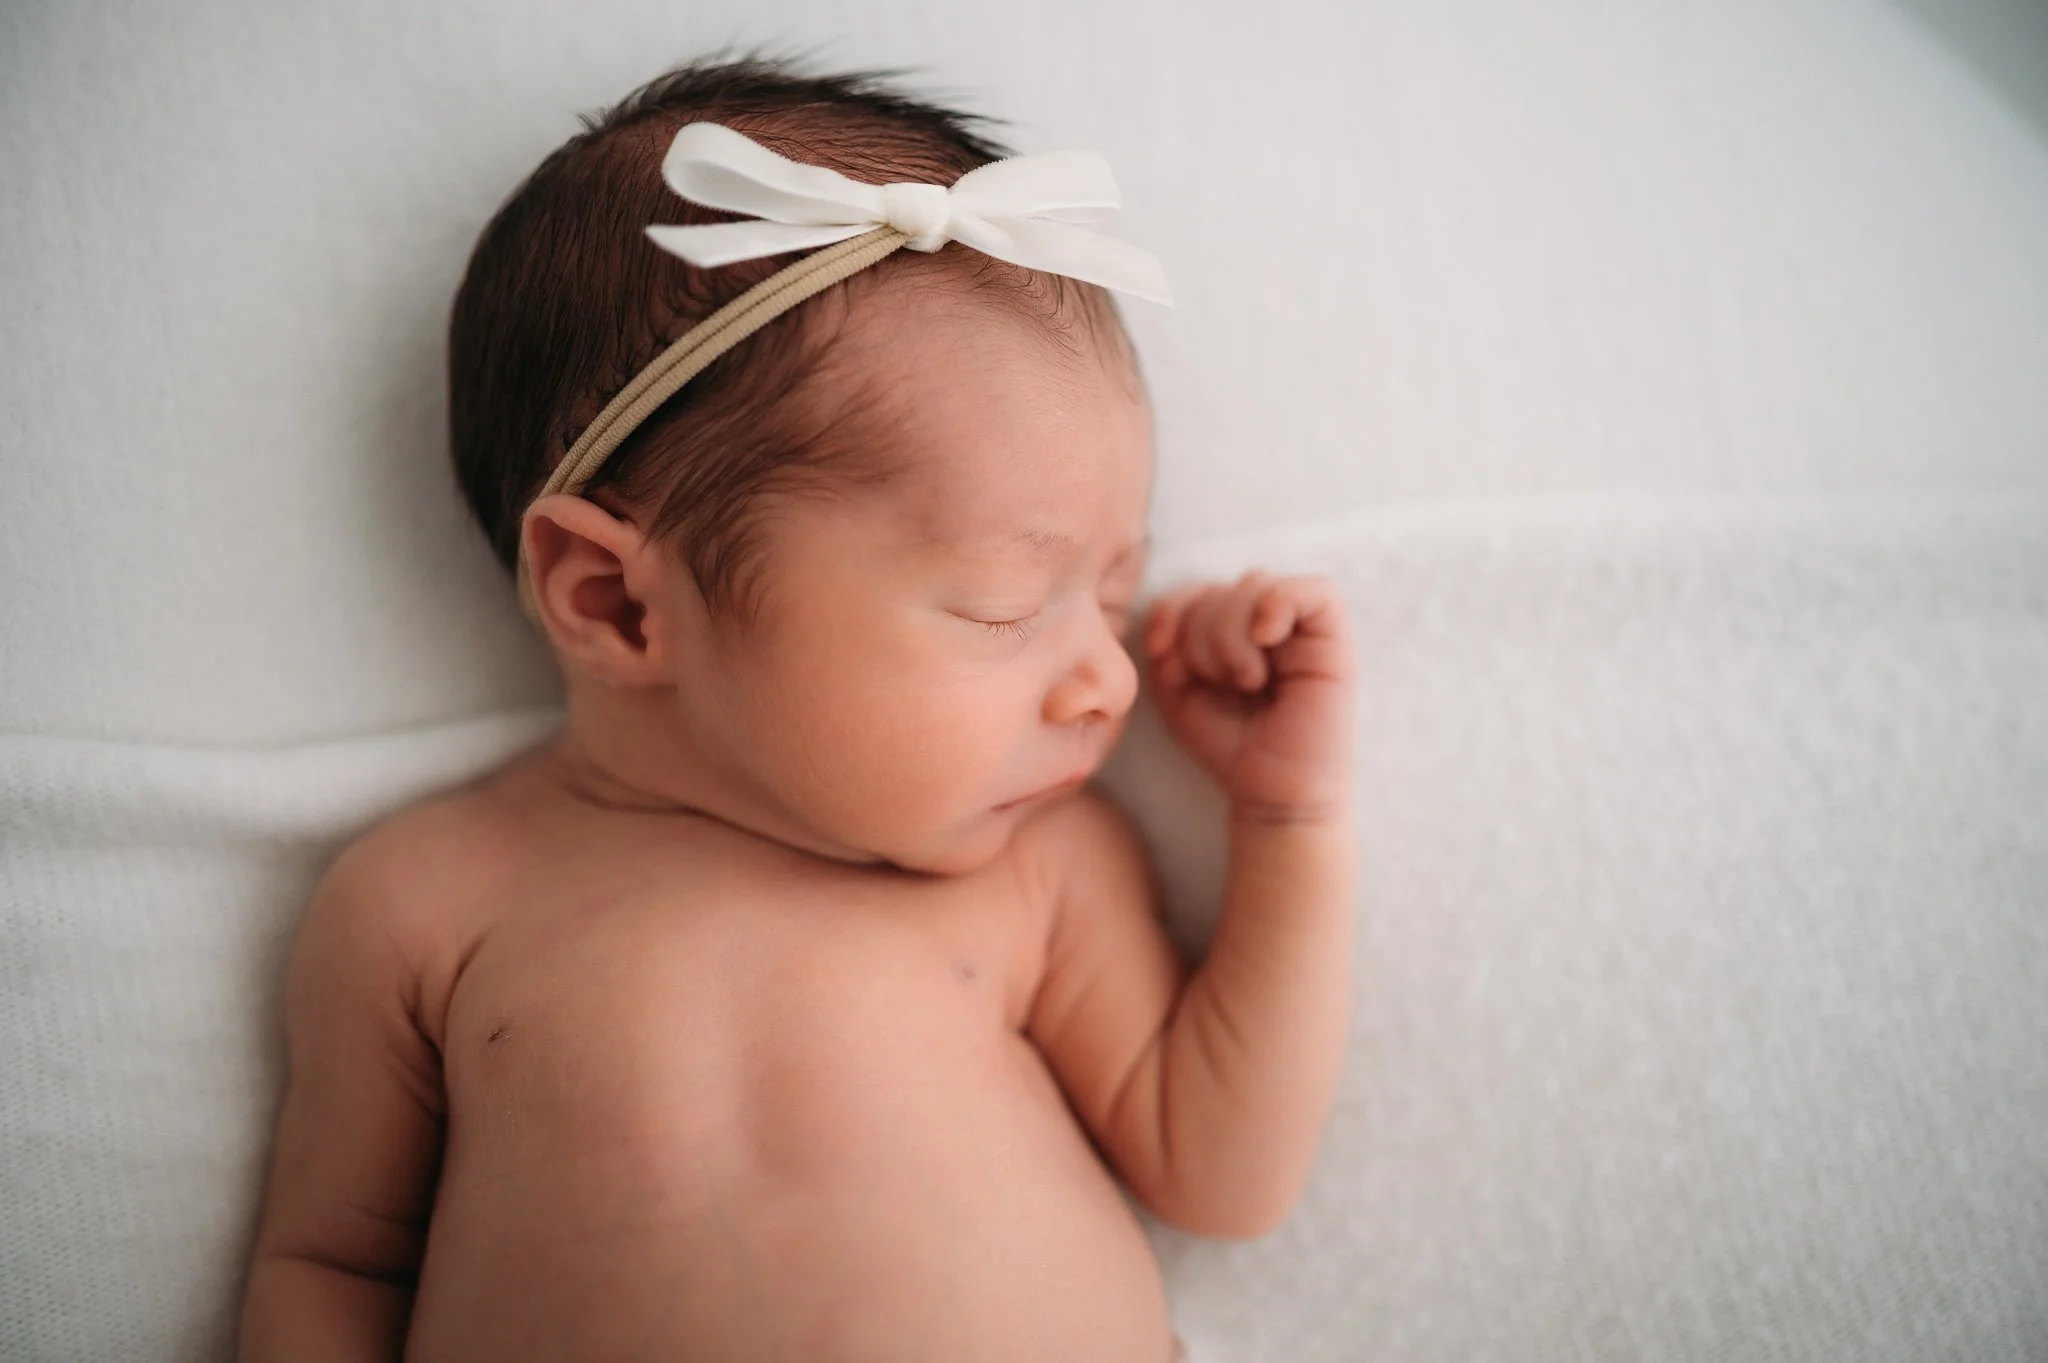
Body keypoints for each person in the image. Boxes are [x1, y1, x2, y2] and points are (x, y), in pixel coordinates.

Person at [237, 54, 1357, 1363]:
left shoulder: (1037, 871)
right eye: (1004, 606)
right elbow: (334, 1264)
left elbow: (1223, 1171)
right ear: (617, 602)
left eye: (1113, 594)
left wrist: (1289, 820)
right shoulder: (426, 901)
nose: (1109, 677)